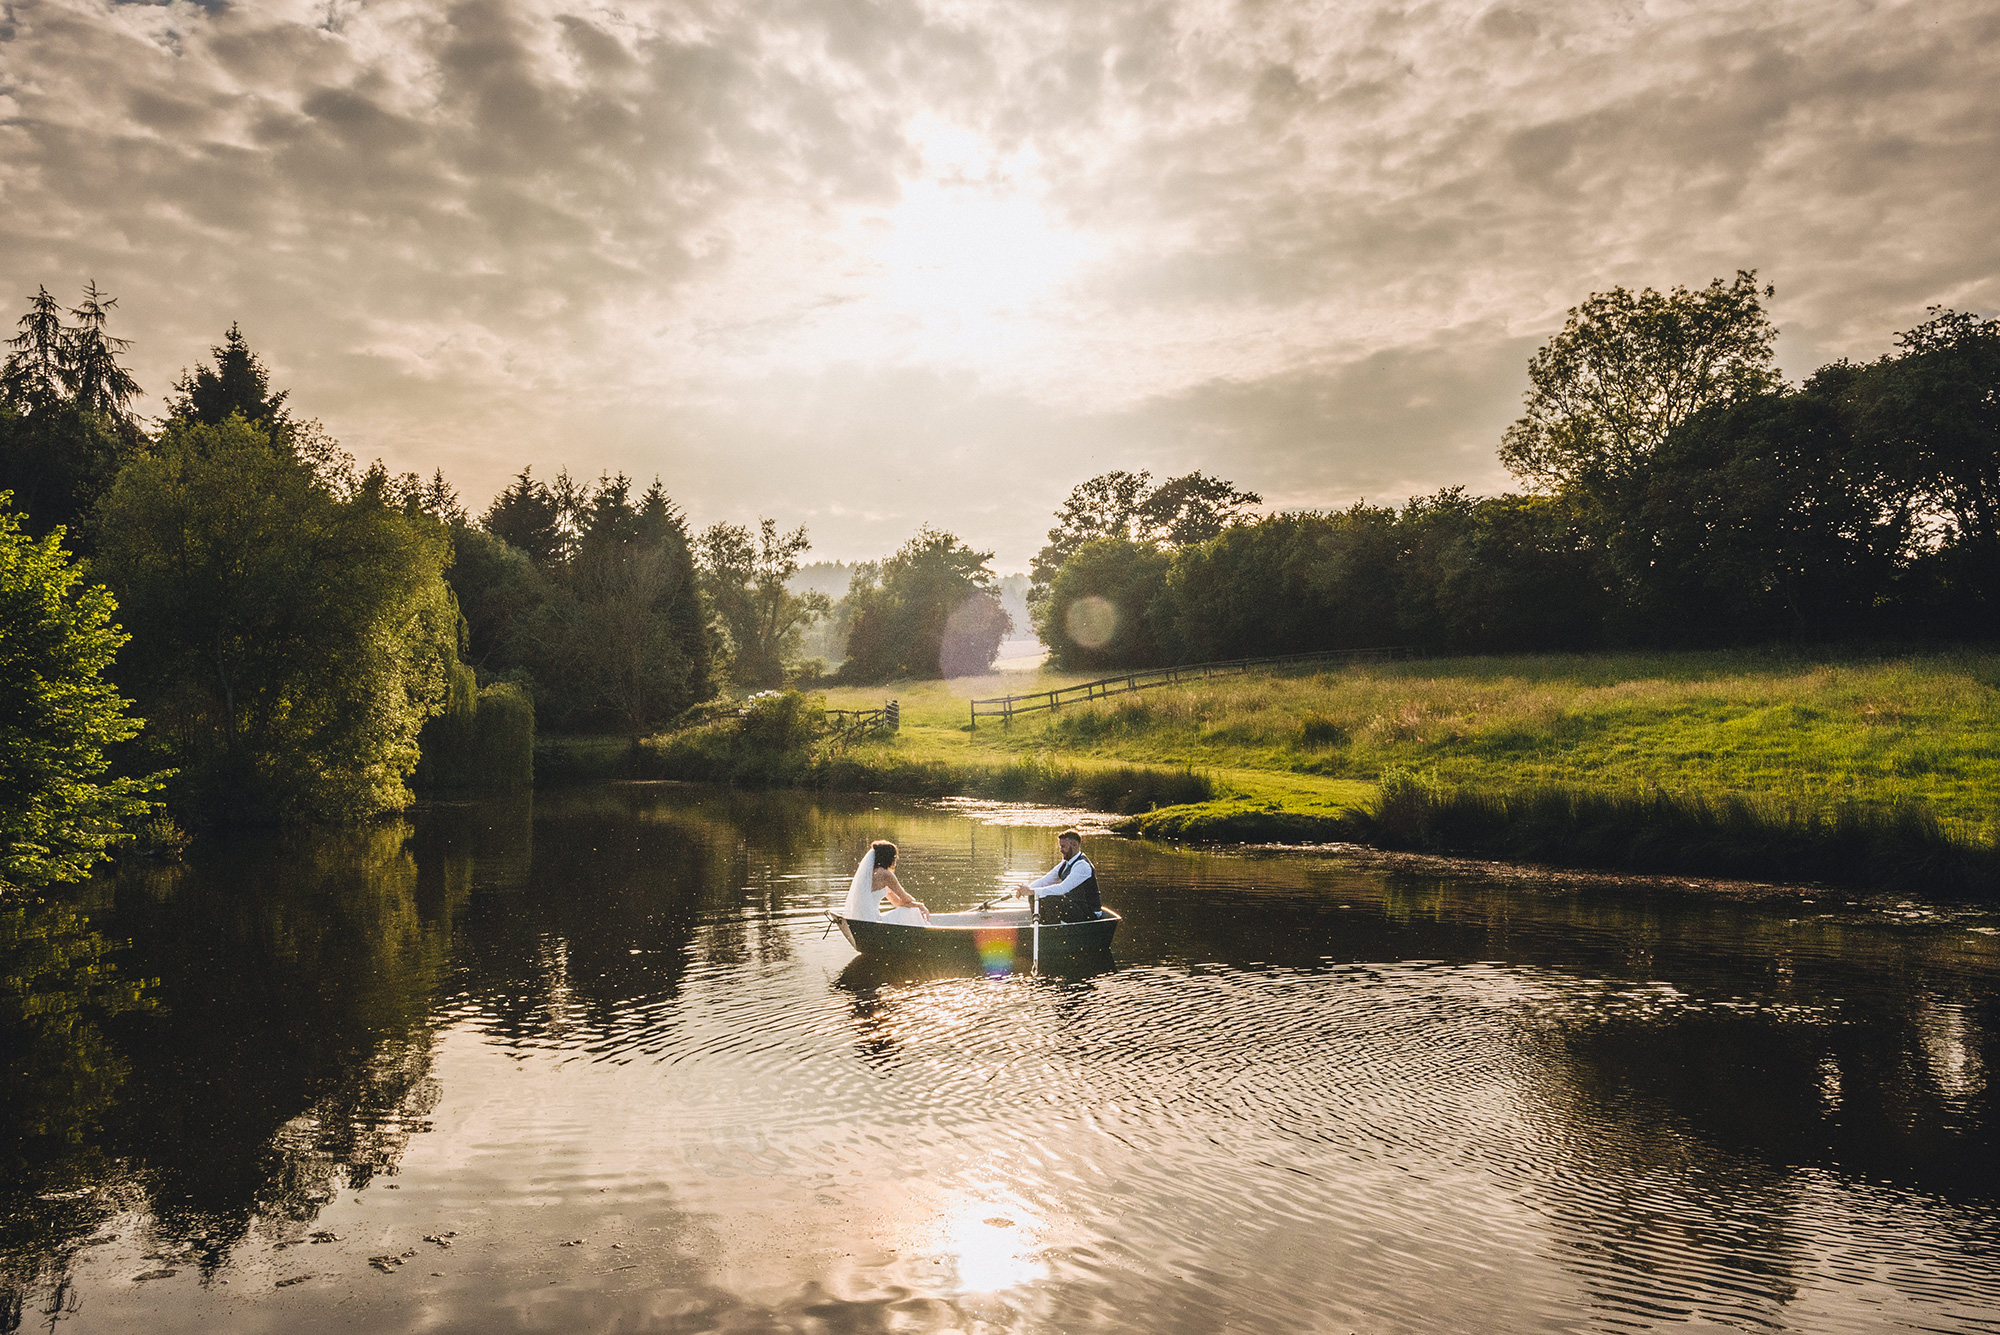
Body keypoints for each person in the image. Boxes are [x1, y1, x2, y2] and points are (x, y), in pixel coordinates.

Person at [1013, 828, 1100, 924]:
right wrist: (1026, 889)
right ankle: (1042, 926)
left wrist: (1032, 891)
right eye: (1060, 846)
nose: (1061, 850)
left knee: (1050, 900)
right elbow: (1044, 881)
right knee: (1034, 896)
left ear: (1075, 845)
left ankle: (1053, 930)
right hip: (1075, 906)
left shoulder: (1083, 866)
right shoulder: (1065, 863)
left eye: (1063, 846)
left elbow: (1062, 889)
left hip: (1089, 913)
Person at [841, 839, 929, 924]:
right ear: (890, 858)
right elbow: (905, 898)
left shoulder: (868, 873)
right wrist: (919, 905)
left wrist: (914, 904)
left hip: (860, 920)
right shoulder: (885, 874)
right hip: (872, 921)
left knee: (913, 908)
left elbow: (896, 902)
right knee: (913, 911)